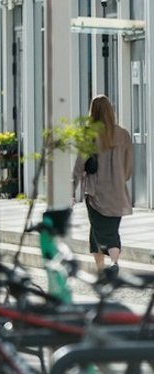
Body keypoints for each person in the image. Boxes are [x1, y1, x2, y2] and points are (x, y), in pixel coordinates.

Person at [73, 94, 134, 274]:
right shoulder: (123, 134)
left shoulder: (89, 135)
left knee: (99, 231)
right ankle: (109, 265)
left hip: (96, 194)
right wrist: (120, 178)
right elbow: (128, 168)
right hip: (117, 193)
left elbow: (79, 166)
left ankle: (107, 268)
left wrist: (71, 189)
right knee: (108, 232)